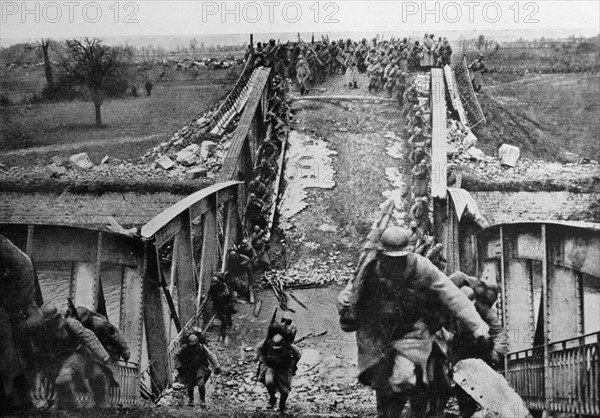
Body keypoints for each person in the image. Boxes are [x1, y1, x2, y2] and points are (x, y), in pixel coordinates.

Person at [338, 219, 491, 418]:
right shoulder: (371, 265)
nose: (395, 262)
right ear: (382, 253)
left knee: (408, 378)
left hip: (411, 331)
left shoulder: (421, 267)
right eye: (390, 258)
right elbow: (353, 289)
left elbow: (452, 295)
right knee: (381, 380)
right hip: (377, 332)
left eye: (400, 257)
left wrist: (477, 324)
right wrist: (344, 300)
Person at [33, 303, 118, 409]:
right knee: (60, 380)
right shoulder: (44, 331)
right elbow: (41, 349)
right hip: (58, 358)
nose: (46, 324)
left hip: (77, 353)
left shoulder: (70, 324)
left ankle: (100, 402)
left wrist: (104, 357)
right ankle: (71, 404)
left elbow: (88, 338)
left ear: (56, 318)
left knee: (96, 375)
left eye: (49, 322)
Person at [255, 318, 301, 413]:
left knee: (284, 391)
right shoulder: (267, 342)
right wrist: (264, 360)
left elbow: (298, 354)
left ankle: (282, 405)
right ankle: (272, 398)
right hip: (271, 366)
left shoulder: (288, 345)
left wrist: (292, 365)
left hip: (284, 368)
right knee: (269, 383)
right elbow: (258, 349)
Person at [176, 333, 221, 408]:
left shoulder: (201, 347)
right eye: (191, 345)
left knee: (201, 383)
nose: (193, 347)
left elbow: (210, 356)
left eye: (194, 345)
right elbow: (177, 355)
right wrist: (178, 366)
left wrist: (217, 366)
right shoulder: (185, 348)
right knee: (190, 385)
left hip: (200, 366)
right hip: (189, 367)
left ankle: (202, 400)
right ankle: (191, 400)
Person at [207, 274, 237, 343]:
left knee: (227, 314)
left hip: (225, 303)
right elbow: (209, 293)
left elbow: (226, 293)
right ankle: (223, 333)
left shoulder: (223, 285)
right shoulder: (213, 287)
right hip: (218, 304)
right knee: (222, 318)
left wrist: (218, 295)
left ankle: (228, 325)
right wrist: (211, 296)